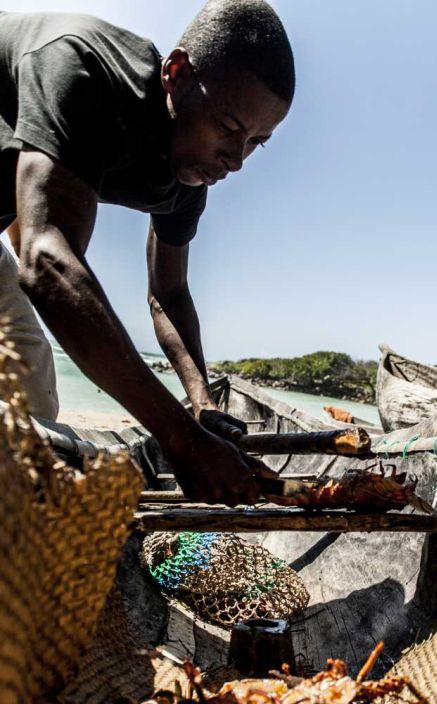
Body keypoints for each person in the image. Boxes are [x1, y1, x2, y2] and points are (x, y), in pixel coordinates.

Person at [0, 0, 294, 504]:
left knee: (31, 386)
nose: (236, 161)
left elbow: (169, 293)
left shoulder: (189, 178)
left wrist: (201, 404)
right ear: (176, 75)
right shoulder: (81, 67)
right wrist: (179, 438)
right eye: (228, 127)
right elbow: (47, 263)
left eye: (255, 142)